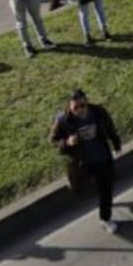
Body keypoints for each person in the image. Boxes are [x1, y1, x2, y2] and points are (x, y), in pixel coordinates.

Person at [50, 89, 122, 233]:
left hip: (102, 158)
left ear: (87, 102)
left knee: (106, 189)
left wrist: (116, 143)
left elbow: (110, 127)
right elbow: (53, 139)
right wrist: (67, 142)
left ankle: (105, 219)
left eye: (83, 105)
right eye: (76, 107)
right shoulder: (63, 120)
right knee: (81, 189)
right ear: (70, 107)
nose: (80, 110)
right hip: (81, 163)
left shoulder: (98, 112)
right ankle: (89, 190)